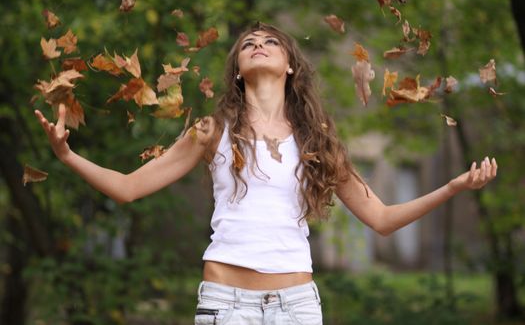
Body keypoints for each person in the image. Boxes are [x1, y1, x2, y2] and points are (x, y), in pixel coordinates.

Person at [35, 22, 498, 325]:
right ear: (237, 69)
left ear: (290, 65)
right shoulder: (210, 131)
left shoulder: (317, 141)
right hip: (225, 303)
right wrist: (67, 156)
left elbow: (381, 219)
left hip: (297, 307)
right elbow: (129, 188)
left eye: (270, 42)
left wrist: (454, 186)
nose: (258, 46)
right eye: (248, 45)